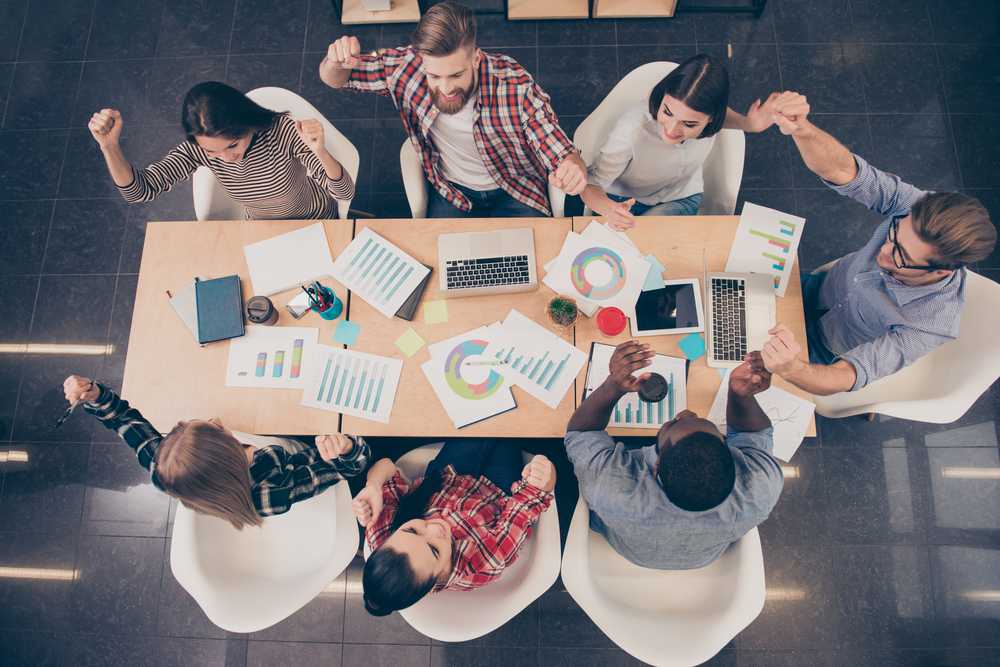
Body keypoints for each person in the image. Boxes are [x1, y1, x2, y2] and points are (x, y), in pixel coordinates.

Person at [758, 93, 997, 396]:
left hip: (821, 349)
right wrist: (802, 129)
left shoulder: (931, 323)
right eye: (893, 234)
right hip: (812, 288)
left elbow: (848, 375)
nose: (884, 251)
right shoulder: (917, 208)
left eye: (901, 256)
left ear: (940, 272)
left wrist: (794, 368)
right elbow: (844, 171)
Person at [318, 1, 587, 218]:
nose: (445, 88)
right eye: (434, 76)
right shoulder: (405, 67)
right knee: (445, 273)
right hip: (452, 191)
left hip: (516, 189)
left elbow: (550, 137)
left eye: (456, 75)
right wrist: (335, 62)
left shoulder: (513, 83)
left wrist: (571, 164)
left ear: (476, 58)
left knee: (528, 273)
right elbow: (335, 80)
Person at [564, 341, 781, 570]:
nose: (685, 413)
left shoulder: (612, 490)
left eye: (675, 423)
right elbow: (754, 433)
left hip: (632, 551)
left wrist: (613, 385)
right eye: (700, 421)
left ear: (655, 467)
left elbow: (581, 432)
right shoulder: (760, 488)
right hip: (701, 557)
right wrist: (740, 395)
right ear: (731, 455)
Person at [63, 375, 370, 528]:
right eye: (221, 431)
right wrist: (347, 450)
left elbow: (123, 420)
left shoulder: (167, 466)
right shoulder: (270, 493)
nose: (219, 421)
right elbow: (347, 469)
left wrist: (95, 395)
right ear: (235, 456)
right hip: (298, 455)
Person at [88, 81, 355, 220]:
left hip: (316, 217)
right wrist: (109, 147)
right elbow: (139, 191)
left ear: (248, 124)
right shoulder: (198, 151)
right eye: (214, 153)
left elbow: (344, 192)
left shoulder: (283, 131)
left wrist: (320, 151)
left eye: (233, 145)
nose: (228, 158)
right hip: (263, 228)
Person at [352, 439, 555, 615]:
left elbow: (386, 465)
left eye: (412, 530)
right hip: (497, 491)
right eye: (434, 550)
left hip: (447, 476)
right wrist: (544, 478)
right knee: (510, 429)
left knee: (482, 413)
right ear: (436, 580)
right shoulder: (482, 563)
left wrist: (373, 486)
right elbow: (527, 503)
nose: (433, 528)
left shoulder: (382, 536)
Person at [581, 54, 783, 230]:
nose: (670, 130)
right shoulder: (632, 128)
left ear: (710, 119)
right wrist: (611, 210)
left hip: (683, 196)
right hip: (627, 200)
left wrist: (749, 124)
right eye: (667, 112)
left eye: (689, 124)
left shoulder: (713, 121)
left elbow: (727, 118)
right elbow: (591, 183)